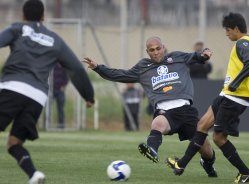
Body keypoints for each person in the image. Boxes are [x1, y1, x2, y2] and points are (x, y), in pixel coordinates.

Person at [83, 36, 218, 177]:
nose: (155, 52)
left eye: (158, 49)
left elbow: (197, 57)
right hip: (165, 111)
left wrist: (205, 54)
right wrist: (98, 68)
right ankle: (152, 150)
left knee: (206, 150)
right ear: (147, 52)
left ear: (163, 47)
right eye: (152, 50)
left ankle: (208, 164)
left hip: (185, 109)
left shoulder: (177, 57)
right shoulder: (143, 67)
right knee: (157, 123)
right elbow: (120, 74)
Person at [166, 12, 249, 183]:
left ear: (236, 29)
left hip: (235, 97)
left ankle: (246, 173)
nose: (226, 34)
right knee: (202, 125)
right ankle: (180, 165)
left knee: (218, 138)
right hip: (226, 95)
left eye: (228, 30)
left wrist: (236, 82)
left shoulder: (243, 43)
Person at [0, 0, 95, 183]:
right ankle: (34, 175)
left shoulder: (17, 28)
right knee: (14, 143)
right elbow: (76, 68)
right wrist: (88, 95)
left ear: (23, 15)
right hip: (37, 97)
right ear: (43, 17)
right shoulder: (55, 40)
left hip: (13, 87)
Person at [52, 63, 69, 129]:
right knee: (48, 108)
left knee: (60, 109)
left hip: (60, 91)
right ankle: (46, 125)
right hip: (52, 91)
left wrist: (63, 86)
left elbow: (66, 78)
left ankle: (61, 126)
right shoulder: (52, 66)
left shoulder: (64, 67)